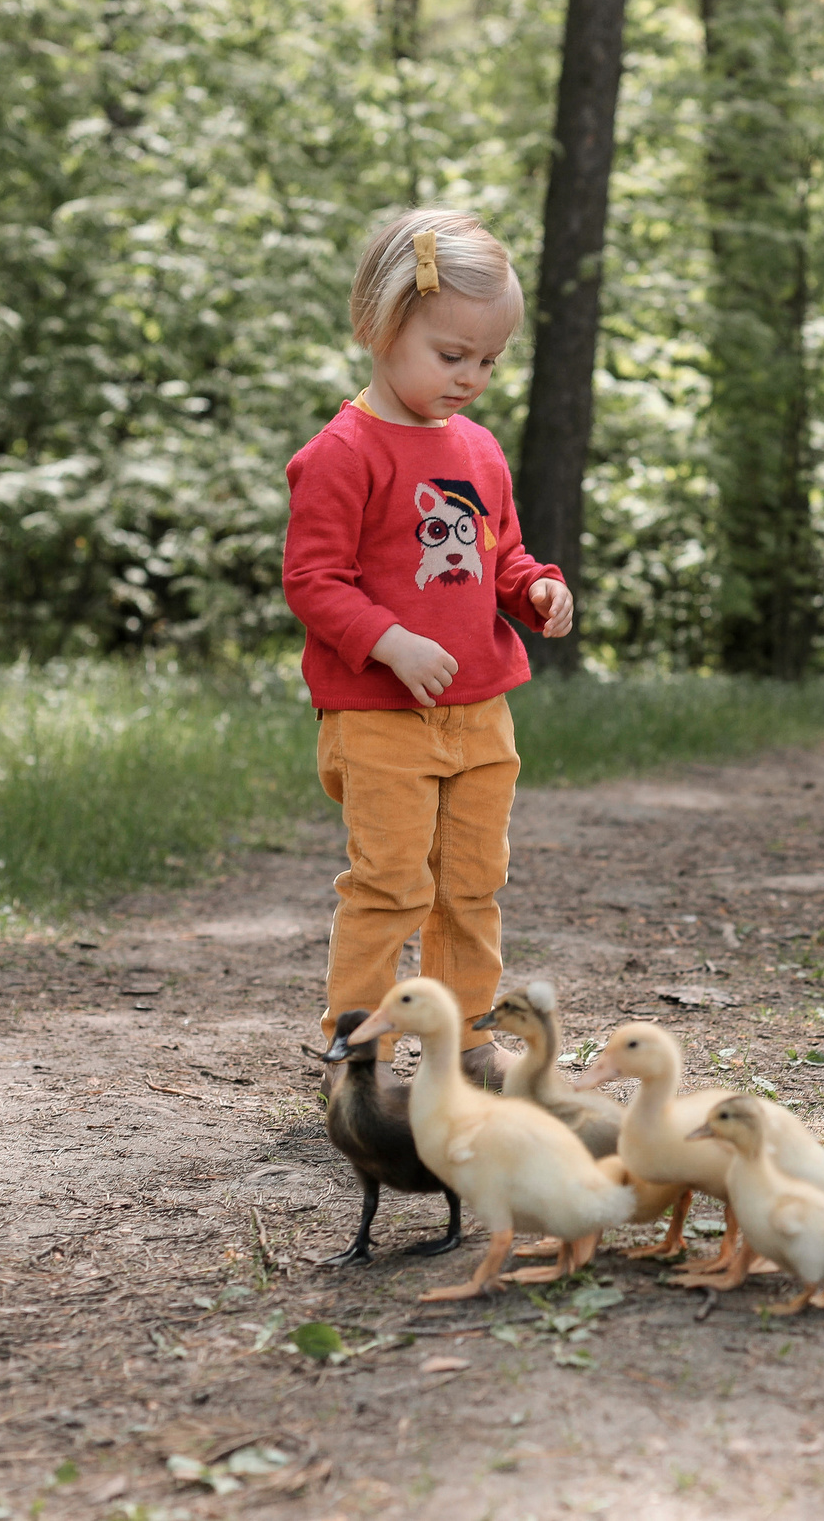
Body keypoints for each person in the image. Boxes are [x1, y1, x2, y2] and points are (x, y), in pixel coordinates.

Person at [283, 208, 573, 1079]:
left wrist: (535, 589)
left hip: (481, 709)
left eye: (490, 359)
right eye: (453, 356)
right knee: (391, 885)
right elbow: (315, 580)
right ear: (381, 323)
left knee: (472, 883)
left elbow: (502, 554)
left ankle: (464, 1033)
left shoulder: (479, 451)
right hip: (381, 713)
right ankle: (357, 1042)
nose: (474, 377)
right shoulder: (343, 453)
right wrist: (390, 642)